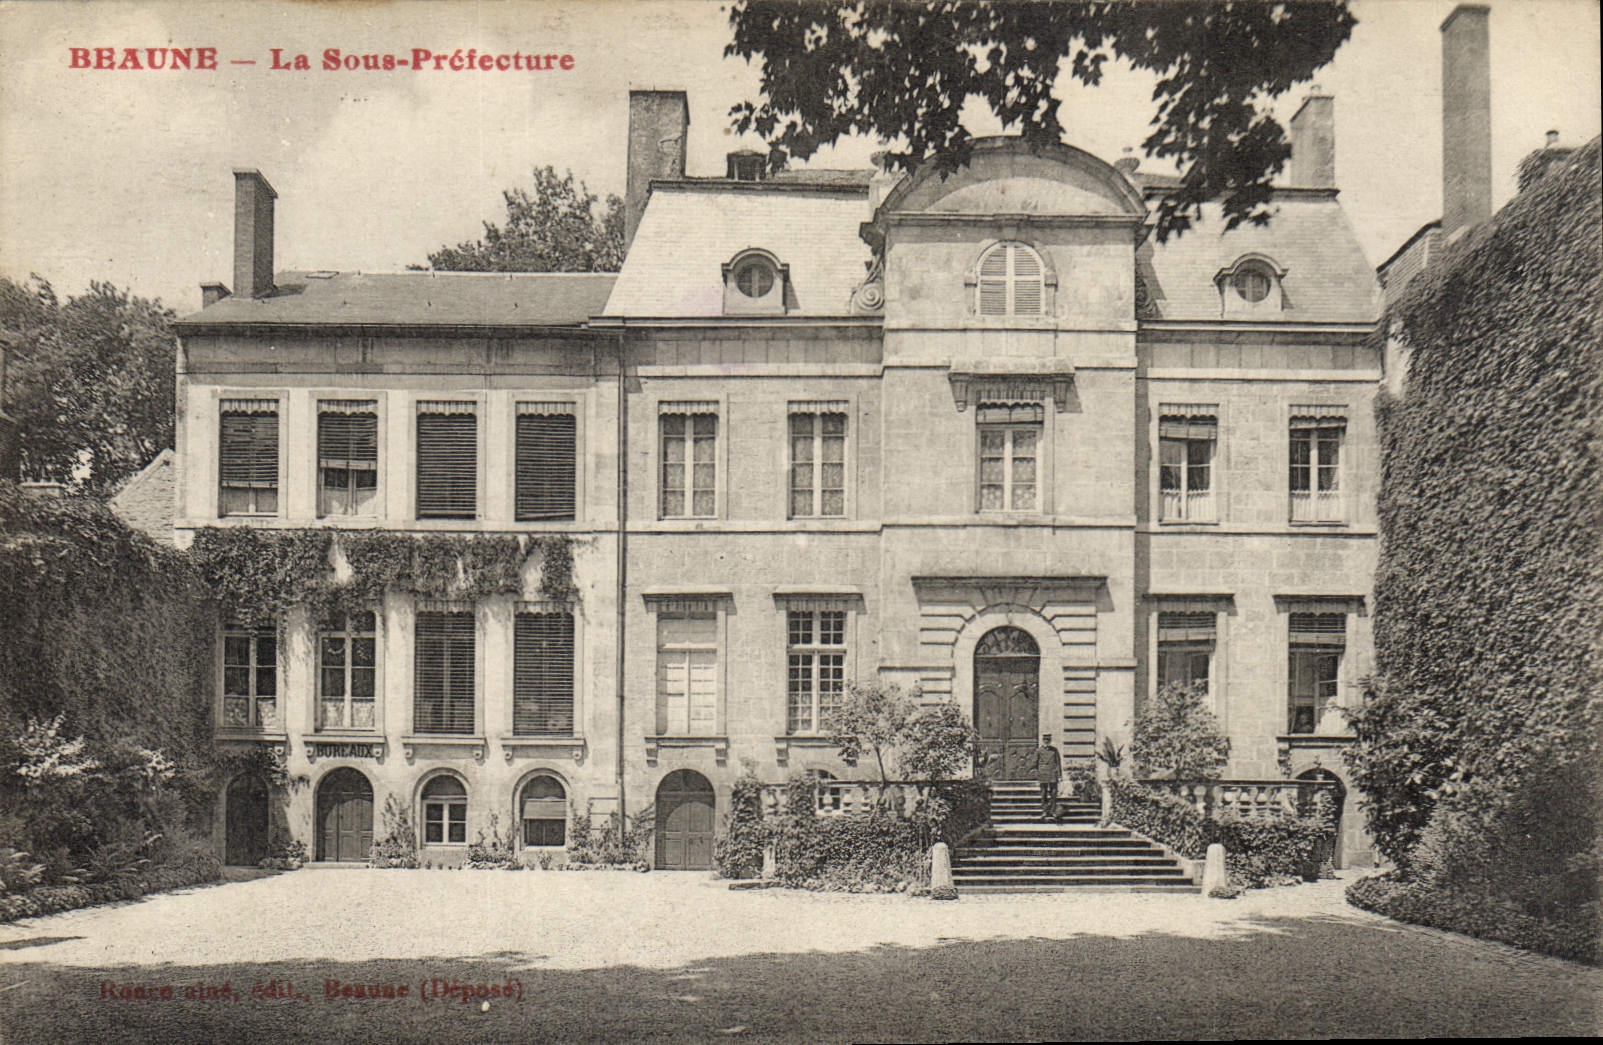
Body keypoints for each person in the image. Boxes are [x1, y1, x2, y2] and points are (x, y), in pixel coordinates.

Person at [1030, 734, 1063, 821]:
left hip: (1052, 773)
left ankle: (1052, 811)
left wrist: (1059, 775)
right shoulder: (1039, 751)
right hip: (1043, 774)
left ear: (1050, 741)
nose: (1047, 742)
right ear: (1043, 740)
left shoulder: (1054, 750)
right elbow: (1034, 763)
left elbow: (1058, 763)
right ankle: (1044, 811)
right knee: (1043, 793)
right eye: (1045, 740)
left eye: (1048, 740)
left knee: (1054, 793)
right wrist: (1037, 774)